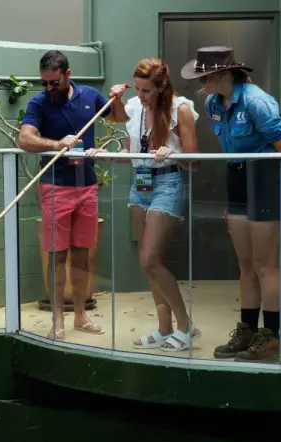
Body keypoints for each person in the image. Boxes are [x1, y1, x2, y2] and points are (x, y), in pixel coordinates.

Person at [180, 46, 281, 362]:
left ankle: (271, 339)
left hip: (265, 176)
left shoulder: (256, 101)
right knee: (245, 264)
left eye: (205, 77)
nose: (201, 84)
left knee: (265, 265)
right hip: (236, 175)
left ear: (222, 74)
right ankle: (247, 330)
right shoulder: (212, 103)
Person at [87, 57, 202, 352]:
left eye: (146, 91)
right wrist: (107, 154)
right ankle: (164, 328)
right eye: (137, 89)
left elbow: (195, 161)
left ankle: (186, 326)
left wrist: (172, 153)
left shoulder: (181, 109)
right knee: (149, 263)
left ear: (162, 88)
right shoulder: (135, 108)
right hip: (141, 183)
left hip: (167, 183)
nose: (140, 96)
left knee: (149, 260)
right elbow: (132, 149)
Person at [18, 49, 129, 340]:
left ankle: (81, 316)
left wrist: (118, 98)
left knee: (82, 254)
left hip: (87, 185)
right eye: (44, 82)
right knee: (57, 255)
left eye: (53, 82)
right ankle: (58, 320)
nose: (48, 88)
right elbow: (25, 139)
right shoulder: (39, 102)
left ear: (68, 74)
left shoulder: (90, 95)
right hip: (55, 187)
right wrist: (57, 144)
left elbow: (118, 118)